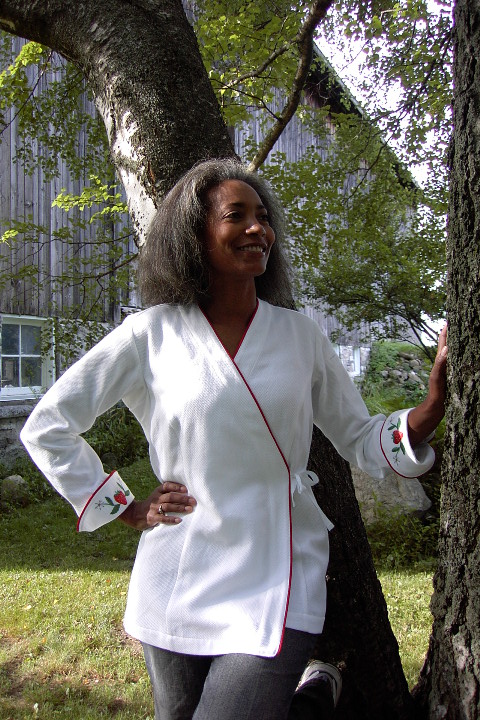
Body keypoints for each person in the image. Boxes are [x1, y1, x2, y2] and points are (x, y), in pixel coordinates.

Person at [20, 158, 448, 720]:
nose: (257, 228)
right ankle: (313, 701)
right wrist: (125, 508)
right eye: (236, 215)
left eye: (263, 217)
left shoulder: (299, 336)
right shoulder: (150, 334)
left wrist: (429, 408)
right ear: (194, 235)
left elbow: (362, 437)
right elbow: (49, 424)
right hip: (178, 566)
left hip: (278, 566)